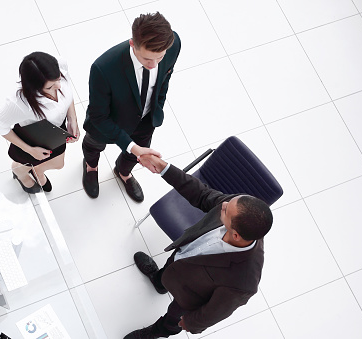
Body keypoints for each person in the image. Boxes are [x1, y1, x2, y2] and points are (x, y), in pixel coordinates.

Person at [124, 154, 274, 338]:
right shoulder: (236, 205)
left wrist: (191, 323)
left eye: (226, 210)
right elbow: (202, 194)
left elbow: (215, 311)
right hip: (182, 257)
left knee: (173, 317)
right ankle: (159, 281)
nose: (223, 203)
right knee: (170, 266)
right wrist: (163, 167)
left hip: (188, 296)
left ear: (235, 234)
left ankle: (156, 332)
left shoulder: (243, 282)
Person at [81, 12, 181, 202]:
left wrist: (157, 104)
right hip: (108, 122)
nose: (153, 65)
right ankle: (91, 167)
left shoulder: (174, 44)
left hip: (146, 117)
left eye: (159, 58)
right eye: (146, 59)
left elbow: (165, 79)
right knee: (94, 146)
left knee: (137, 155)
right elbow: (98, 116)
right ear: (132, 44)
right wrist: (130, 146)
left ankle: (123, 172)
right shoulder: (103, 68)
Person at [0, 52, 79, 194]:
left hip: (55, 129)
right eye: (50, 87)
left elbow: (68, 95)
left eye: (58, 79)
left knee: (58, 164)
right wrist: (30, 150)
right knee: (26, 163)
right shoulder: (20, 103)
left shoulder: (59, 65)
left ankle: (37, 170)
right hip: (34, 137)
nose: (59, 86)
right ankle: (20, 173)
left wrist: (72, 118)